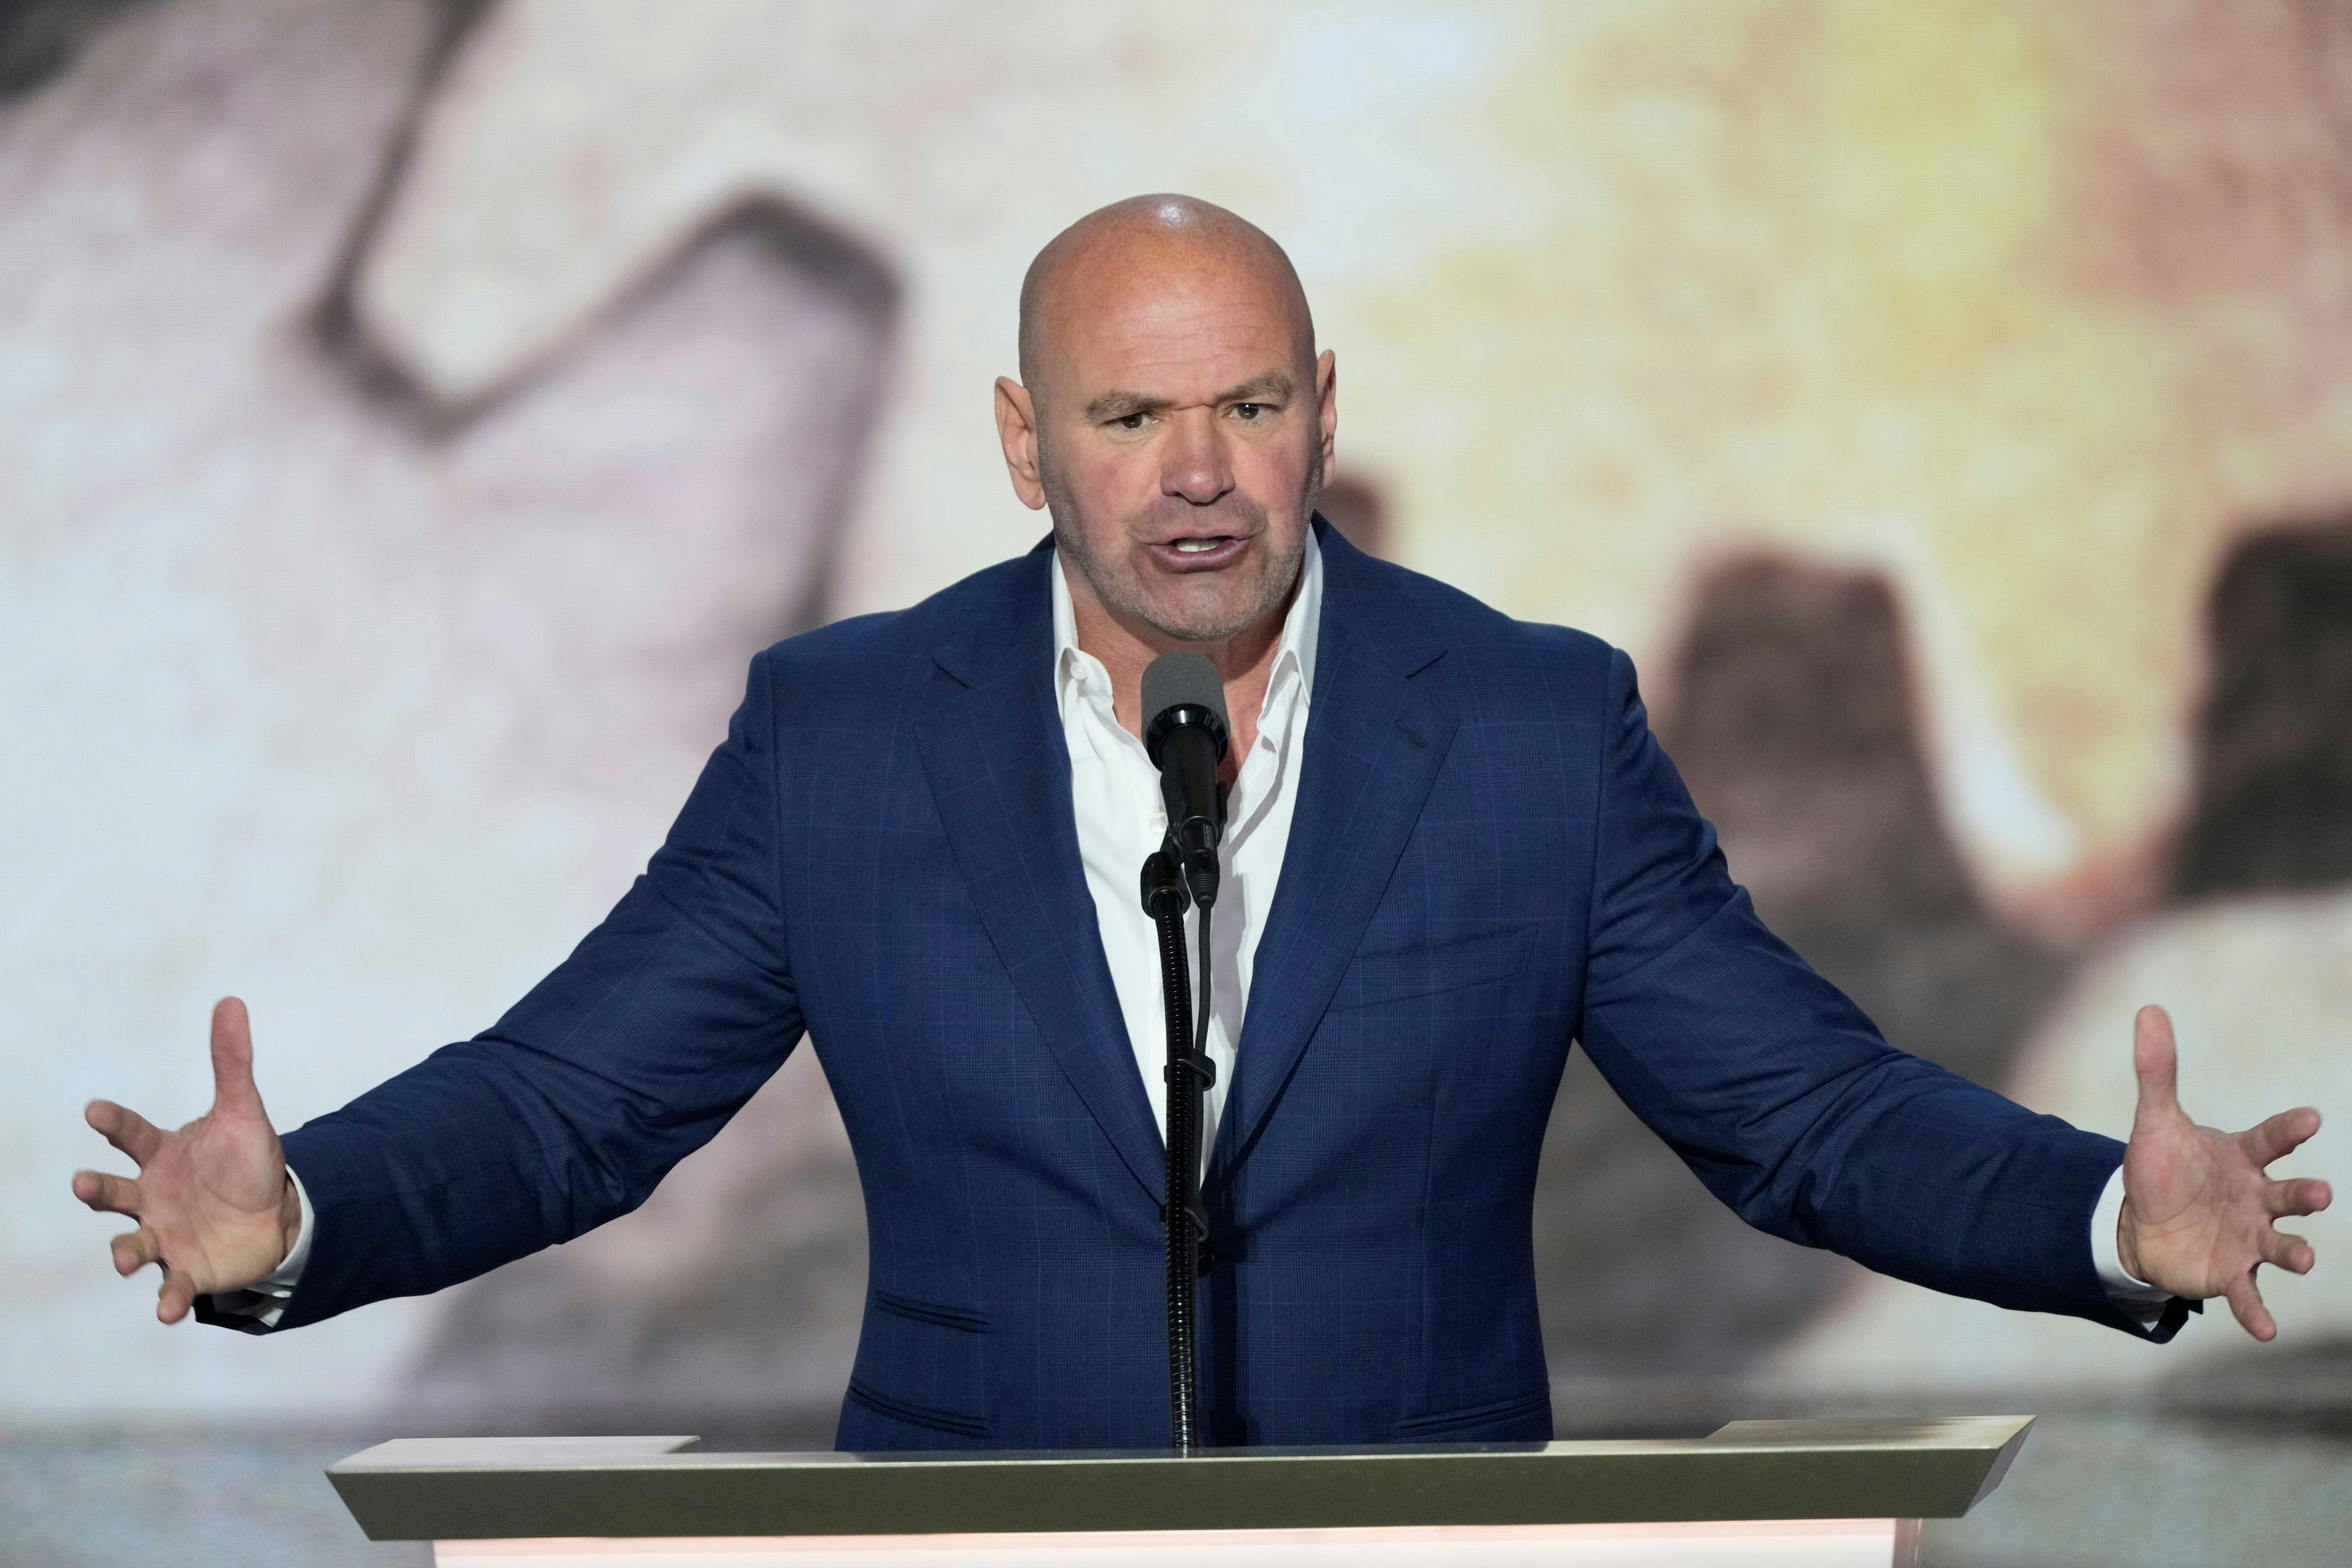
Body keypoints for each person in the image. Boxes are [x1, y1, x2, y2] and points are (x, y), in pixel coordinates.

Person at [73, 195, 2330, 1450]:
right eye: (1129, 412)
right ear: (1019, 438)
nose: (1195, 473)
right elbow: (580, 1104)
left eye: (1250, 404)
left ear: (1324, 413)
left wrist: (2102, 1226)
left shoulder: (1531, 729)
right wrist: (303, 1222)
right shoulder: (845, 734)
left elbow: (1799, 1114)